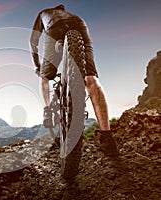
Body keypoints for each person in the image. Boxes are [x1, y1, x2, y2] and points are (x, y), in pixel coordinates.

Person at [30, 4, 118, 156]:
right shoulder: (68, 13)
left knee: (44, 78)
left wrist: (38, 66)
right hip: (79, 24)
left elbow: (33, 41)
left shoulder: (43, 14)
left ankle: (47, 110)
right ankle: (107, 139)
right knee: (91, 79)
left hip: (53, 28)